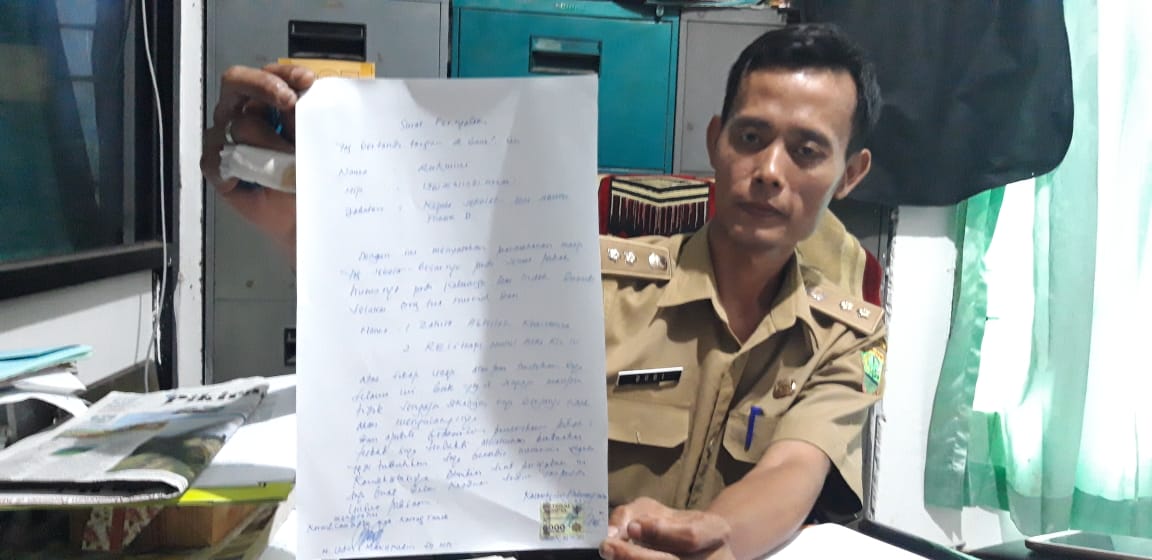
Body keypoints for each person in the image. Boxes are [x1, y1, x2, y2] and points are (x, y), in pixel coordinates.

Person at [202, 24, 885, 560]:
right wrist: (292, 212)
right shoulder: (591, 281)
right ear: (715, 142)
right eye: (752, 136)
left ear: (850, 175)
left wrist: (714, 539)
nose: (769, 170)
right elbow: (420, 306)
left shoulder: (846, 337)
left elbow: (794, 469)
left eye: (807, 150)